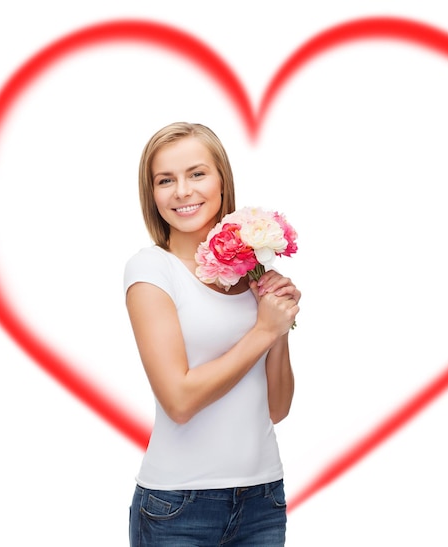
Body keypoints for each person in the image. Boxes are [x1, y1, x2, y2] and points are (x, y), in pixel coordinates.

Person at [124, 122, 300, 546]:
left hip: (263, 499)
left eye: (197, 173)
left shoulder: (253, 278)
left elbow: (278, 408)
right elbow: (179, 401)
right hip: (178, 509)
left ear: (223, 180)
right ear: (153, 195)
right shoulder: (152, 270)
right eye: (165, 180)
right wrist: (262, 331)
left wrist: (279, 326)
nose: (182, 191)